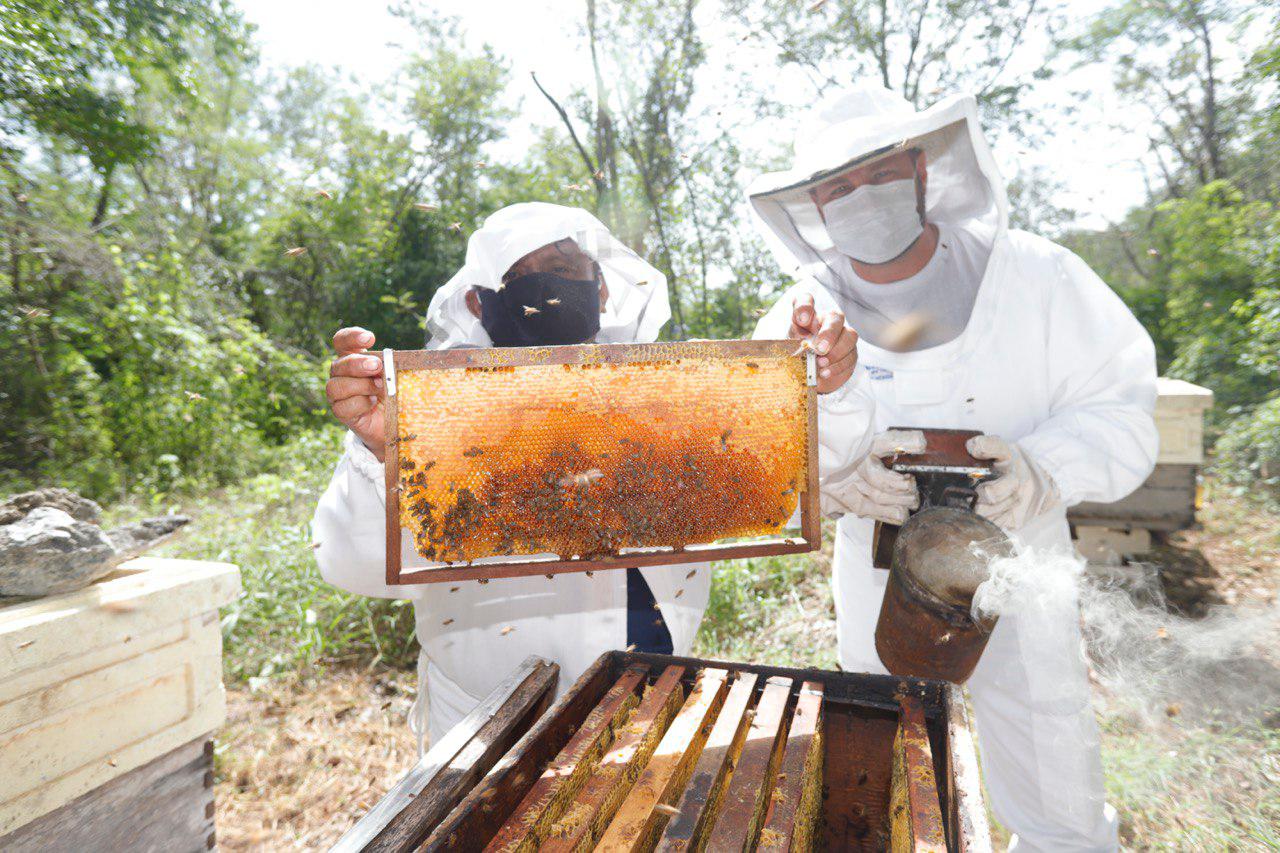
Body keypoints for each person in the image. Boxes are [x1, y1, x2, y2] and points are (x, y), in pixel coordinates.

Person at [750, 86, 1158, 852]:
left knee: (1057, 795)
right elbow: (760, 456)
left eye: (876, 174)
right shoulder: (800, 317)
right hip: (878, 583)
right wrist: (825, 480)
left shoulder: (1038, 278)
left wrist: (1048, 466)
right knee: (880, 786)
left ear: (920, 169)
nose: (858, 198)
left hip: (1022, 569)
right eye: (837, 188)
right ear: (814, 207)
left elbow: (1124, 408)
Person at [311, 202, 862, 747]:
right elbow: (353, 564)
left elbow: (786, 485)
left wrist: (817, 389)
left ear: (600, 287)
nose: (545, 287)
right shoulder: (437, 419)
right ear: (478, 302)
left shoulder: (667, 398)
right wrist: (383, 451)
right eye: (518, 275)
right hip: (487, 729)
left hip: (657, 700)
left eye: (565, 267)